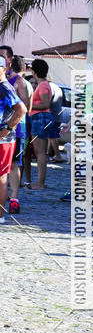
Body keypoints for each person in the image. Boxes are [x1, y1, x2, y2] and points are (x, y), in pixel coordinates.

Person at [0, 51, 31, 214]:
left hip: (11, 133)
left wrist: (7, 127)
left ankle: (12, 200)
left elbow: (24, 108)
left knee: (8, 169)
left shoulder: (13, 83)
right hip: (8, 131)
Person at [29, 59, 54, 190]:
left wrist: (29, 105)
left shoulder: (43, 85)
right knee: (40, 152)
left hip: (41, 118)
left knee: (40, 153)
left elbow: (45, 104)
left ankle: (40, 183)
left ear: (35, 71)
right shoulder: (43, 84)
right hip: (40, 118)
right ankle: (39, 182)